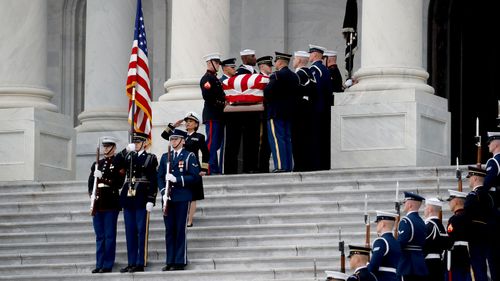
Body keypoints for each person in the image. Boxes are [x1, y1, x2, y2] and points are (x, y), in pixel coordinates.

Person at [157, 128, 201, 271]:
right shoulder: (165, 157)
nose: (173, 141)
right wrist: (163, 191)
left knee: (180, 230)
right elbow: (159, 176)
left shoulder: (189, 156)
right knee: (169, 230)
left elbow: (194, 177)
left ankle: (180, 261)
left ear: (182, 140)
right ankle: (170, 260)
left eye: (176, 139)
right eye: (171, 139)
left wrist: (177, 179)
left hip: (182, 196)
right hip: (167, 198)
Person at [161, 111, 208, 227]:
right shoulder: (181, 135)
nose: (187, 123)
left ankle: (189, 219)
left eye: (191, 121)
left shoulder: (199, 137)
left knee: (193, 195)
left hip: (193, 168)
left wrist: (204, 168)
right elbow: (164, 135)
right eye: (186, 121)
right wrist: (172, 126)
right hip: (180, 168)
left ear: (196, 124)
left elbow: (206, 153)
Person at [119, 132, 158, 273]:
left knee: (141, 231)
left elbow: (153, 180)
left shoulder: (150, 158)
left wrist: (151, 199)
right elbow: (117, 163)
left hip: (142, 197)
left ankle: (140, 262)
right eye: (134, 142)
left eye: (138, 142)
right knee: (130, 232)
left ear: (145, 143)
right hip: (128, 198)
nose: (135, 144)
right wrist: (125, 150)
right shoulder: (128, 156)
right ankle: (131, 262)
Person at [87, 136, 124, 273]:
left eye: (108, 147)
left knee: (109, 235)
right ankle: (99, 263)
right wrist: (91, 195)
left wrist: (102, 177)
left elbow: (118, 183)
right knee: (100, 235)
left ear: (114, 148)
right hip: (98, 202)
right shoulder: (97, 163)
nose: (105, 149)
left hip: (110, 202)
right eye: (104, 146)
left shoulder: (118, 162)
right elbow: (91, 182)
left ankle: (108, 264)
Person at [223, 49, 261, 174]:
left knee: (252, 141)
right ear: (245, 58)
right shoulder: (239, 74)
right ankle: (231, 169)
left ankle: (251, 167)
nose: (255, 58)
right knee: (233, 143)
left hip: (253, 111)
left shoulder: (255, 73)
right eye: (253, 56)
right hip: (237, 113)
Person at [263, 52, 298, 172]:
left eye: (276, 62)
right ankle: (288, 165)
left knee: (277, 139)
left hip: (275, 113)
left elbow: (267, 92)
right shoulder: (294, 76)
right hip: (289, 113)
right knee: (287, 139)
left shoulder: (276, 75)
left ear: (280, 62)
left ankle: (281, 166)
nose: (275, 64)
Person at [464, 166, 496, 281]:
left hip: (476, 237)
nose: (469, 180)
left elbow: (466, 217)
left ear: (475, 179)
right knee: (493, 268)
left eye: (470, 177)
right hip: (491, 236)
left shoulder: (472, 196)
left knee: (478, 268)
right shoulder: (490, 196)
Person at [308, 44, 333, 171]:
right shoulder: (325, 69)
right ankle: (324, 164)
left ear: (316, 55)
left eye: (311, 53)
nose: (309, 56)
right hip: (325, 108)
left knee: (316, 138)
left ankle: (317, 165)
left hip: (316, 109)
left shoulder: (314, 69)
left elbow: (315, 90)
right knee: (324, 138)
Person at [200, 53, 225, 175]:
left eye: (218, 63)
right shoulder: (207, 79)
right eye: (216, 63)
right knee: (211, 143)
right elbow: (208, 96)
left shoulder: (215, 78)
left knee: (216, 143)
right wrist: (222, 104)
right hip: (212, 114)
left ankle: (214, 167)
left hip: (218, 115)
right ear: (210, 63)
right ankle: (209, 167)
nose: (218, 65)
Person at [396, 191, 428, 280]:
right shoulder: (422, 222)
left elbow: (401, 242)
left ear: (410, 204)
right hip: (420, 263)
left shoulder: (406, 221)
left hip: (407, 264)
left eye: (405, 202)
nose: (404, 204)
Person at [291, 51, 314, 171]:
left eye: (294, 59)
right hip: (309, 111)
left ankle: (300, 165)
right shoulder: (310, 73)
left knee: (298, 140)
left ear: (299, 60)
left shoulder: (299, 74)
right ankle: (306, 164)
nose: (293, 61)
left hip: (299, 112)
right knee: (306, 139)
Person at [483, 131, 500, 273]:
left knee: (493, 253)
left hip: (495, 212)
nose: (488, 144)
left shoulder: (494, 162)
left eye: (490, 142)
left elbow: (485, 186)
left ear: (497, 143)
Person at [446, 189, 472, 281]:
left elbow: (450, 240)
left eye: (450, 200)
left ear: (456, 201)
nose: (449, 203)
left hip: (457, 256)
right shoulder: (471, 217)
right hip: (470, 254)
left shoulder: (454, 219)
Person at [368, 211, 401, 281]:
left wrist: (367, 266)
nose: (376, 224)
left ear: (382, 224)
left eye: (378, 222)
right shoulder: (396, 243)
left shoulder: (381, 241)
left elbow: (373, 266)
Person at [255, 55, 274, 173]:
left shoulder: (271, 79)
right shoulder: (258, 79)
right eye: (268, 65)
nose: (270, 67)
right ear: (262, 66)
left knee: (268, 142)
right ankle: (261, 167)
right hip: (261, 115)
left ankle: (264, 166)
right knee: (261, 141)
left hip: (269, 113)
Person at [423, 197, 448, 281]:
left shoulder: (429, 226)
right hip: (439, 263)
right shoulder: (441, 226)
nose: (424, 209)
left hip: (428, 265)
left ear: (430, 209)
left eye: (425, 207)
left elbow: (423, 246)